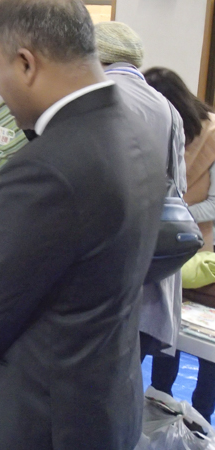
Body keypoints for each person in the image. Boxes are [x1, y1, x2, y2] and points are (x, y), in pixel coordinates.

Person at [0, 0, 166, 448]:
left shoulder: (46, 166)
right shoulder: (137, 129)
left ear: (26, 64)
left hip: (42, 411)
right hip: (107, 394)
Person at [94, 21, 187, 360]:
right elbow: (179, 190)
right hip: (151, 271)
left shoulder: (94, 99)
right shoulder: (167, 109)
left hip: (99, 278)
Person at [146, 67, 215, 424]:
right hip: (167, 251)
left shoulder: (213, 134)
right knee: (165, 325)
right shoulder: (164, 131)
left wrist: (173, 210)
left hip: (204, 253)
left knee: (207, 352)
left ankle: (199, 423)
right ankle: (158, 403)